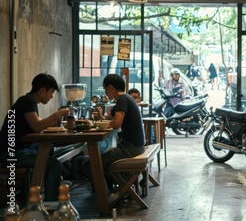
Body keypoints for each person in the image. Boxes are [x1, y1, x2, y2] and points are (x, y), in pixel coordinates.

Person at [0, 73, 70, 201]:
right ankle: (51, 205)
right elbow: (37, 126)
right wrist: (57, 114)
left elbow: (36, 125)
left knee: (48, 148)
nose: (51, 96)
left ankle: (46, 183)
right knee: (54, 164)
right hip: (10, 153)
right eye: (51, 92)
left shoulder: (29, 101)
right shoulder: (26, 101)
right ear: (42, 90)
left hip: (20, 148)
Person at [79, 74, 146, 195]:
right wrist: (101, 117)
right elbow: (112, 118)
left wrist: (107, 122)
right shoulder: (126, 98)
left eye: (105, 89)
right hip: (135, 146)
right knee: (94, 160)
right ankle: (109, 189)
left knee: (90, 164)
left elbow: (116, 124)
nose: (105, 93)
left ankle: (104, 195)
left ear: (110, 87)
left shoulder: (122, 99)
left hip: (131, 148)